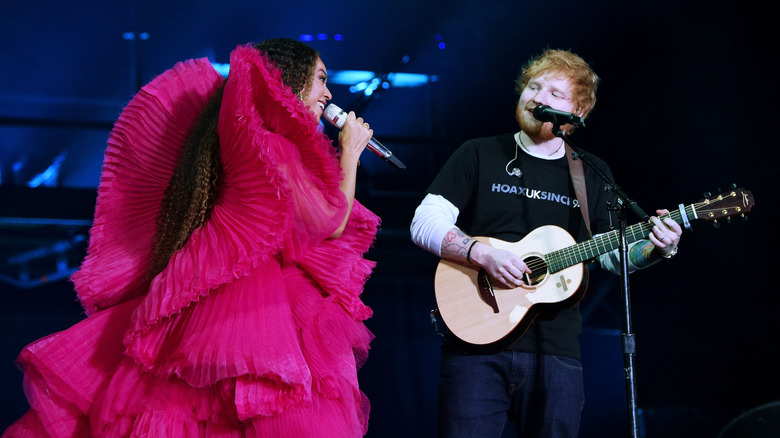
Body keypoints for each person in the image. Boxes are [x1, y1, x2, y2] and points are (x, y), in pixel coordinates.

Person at [3, 38, 380, 437]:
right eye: (320, 79)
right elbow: (330, 221)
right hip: (255, 302)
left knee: (194, 409)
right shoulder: (275, 145)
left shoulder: (248, 139)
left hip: (212, 295)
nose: (329, 93)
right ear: (292, 81)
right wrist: (350, 154)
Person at [410, 48, 682, 437]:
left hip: (557, 353)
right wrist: (480, 252)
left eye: (555, 93)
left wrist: (658, 247)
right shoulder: (480, 153)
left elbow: (612, 254)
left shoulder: (590, 172)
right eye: (533, 87)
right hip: (475, 346)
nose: (538, 97)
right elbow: (424, 221)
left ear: (579, 113)